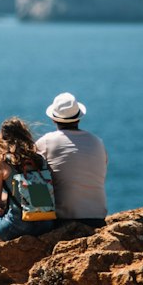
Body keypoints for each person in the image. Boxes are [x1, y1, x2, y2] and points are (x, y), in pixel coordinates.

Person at [0, 117, 58, 253]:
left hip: (17, 227)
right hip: (45, 225)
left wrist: (1, 206)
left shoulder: (2, 162)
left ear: (2, 139)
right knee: (3, 207)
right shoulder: (39, 160)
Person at [34, 92, 108, 227]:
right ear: (79, 118)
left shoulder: (46, 142)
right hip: (97, 219)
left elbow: (27, 172)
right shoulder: (98, 142)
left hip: (63, 220)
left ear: (53, 119)